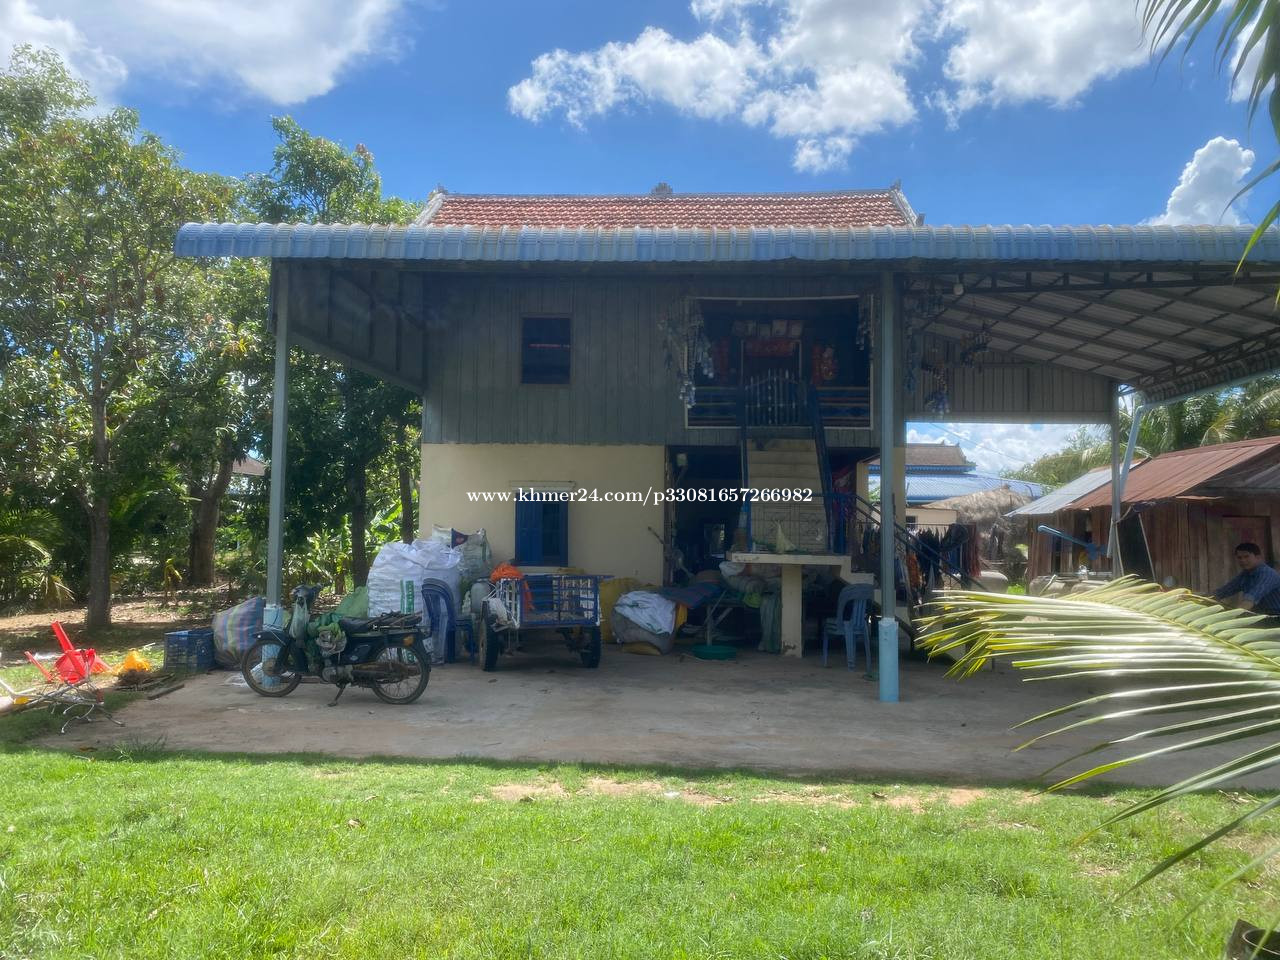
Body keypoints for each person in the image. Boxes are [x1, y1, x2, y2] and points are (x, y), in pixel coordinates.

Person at [1213, 542, 1280, 618]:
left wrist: (1229, 617)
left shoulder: (1267, 574)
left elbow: (1250, 600)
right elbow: (1223, 591)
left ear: (1258, 557)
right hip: (1261, 616)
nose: (1243, 560)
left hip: (1276, 617)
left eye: (1246, 557)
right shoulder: (1245, 575)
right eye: (1239, 558)